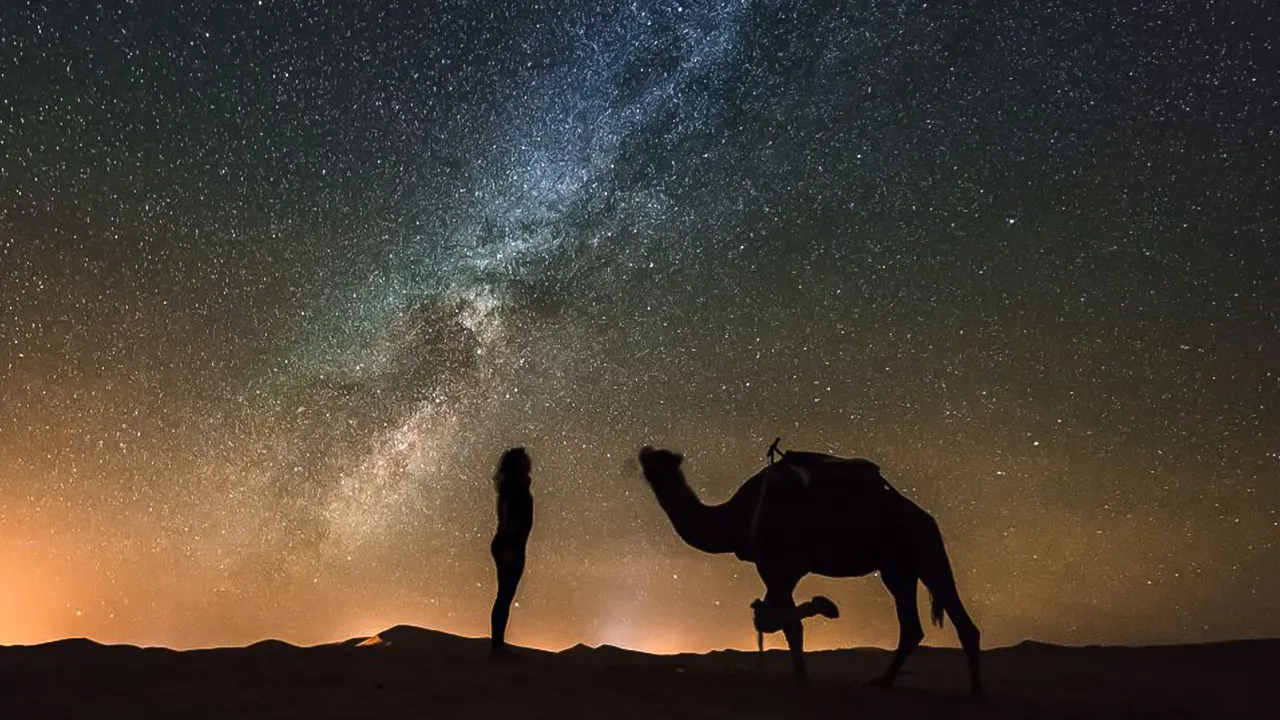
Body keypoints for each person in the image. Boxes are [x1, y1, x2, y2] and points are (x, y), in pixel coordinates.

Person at [489, 447, 533, 657]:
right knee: (504, 595)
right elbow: (507, 516)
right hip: (509, 545)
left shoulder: (517, 484)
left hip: (513, 545)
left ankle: (498, 645)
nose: (529, 462)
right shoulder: (512, 486)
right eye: (524, 459)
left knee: (505, 595)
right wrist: (508, 545)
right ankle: (497, 647)